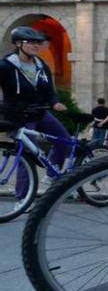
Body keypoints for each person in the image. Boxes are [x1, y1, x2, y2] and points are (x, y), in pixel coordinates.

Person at [0, 27, 69, 200]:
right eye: (30, 42)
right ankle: (22, 198)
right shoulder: (6, 66)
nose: (35, 46)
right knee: (27, 155)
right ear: (18, 43)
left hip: (40, 113)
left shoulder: (41, 65)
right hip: (19, 116)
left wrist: (55, 102)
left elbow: (50, 92)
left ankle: (52, 174)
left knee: (64, 140)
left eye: (38, 43)